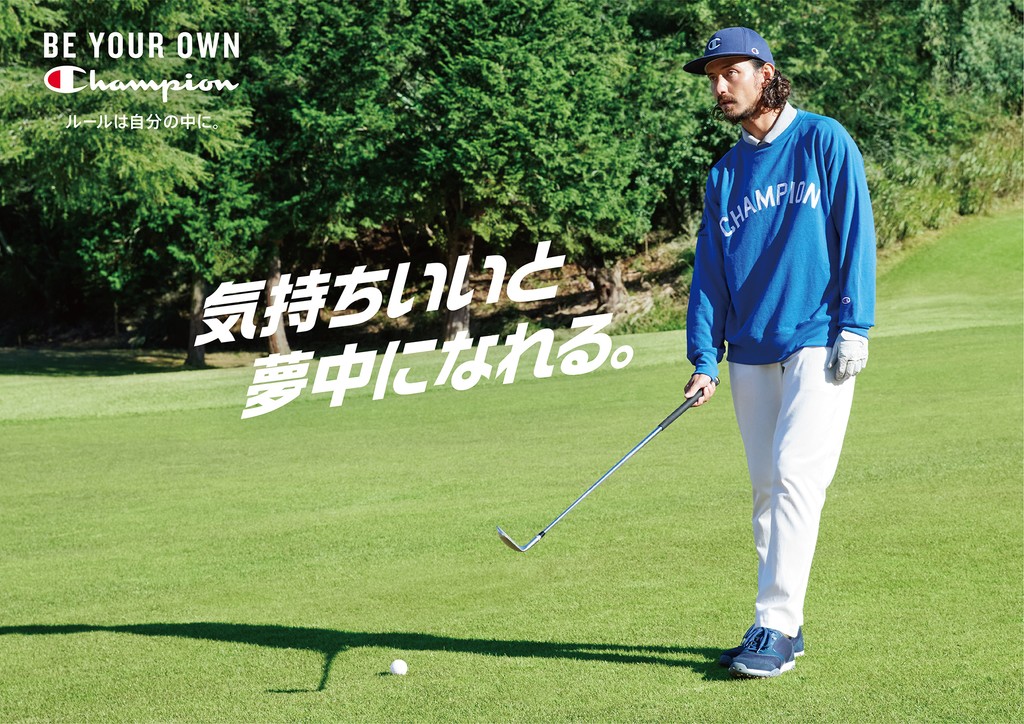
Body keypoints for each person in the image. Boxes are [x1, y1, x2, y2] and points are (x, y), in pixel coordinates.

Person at [681, 27, 876, 678]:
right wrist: (704, 357)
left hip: (819, 339)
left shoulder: (824, 140)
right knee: (767, 490)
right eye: (712, 77)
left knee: (795, 474)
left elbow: (856, 231)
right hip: (750, 350)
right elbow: (710, 272)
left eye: (730, 72)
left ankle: (774, 621)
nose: (719, 86)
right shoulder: (724, 174)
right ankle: (784, 630)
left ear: (765, 73)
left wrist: (857, 324)